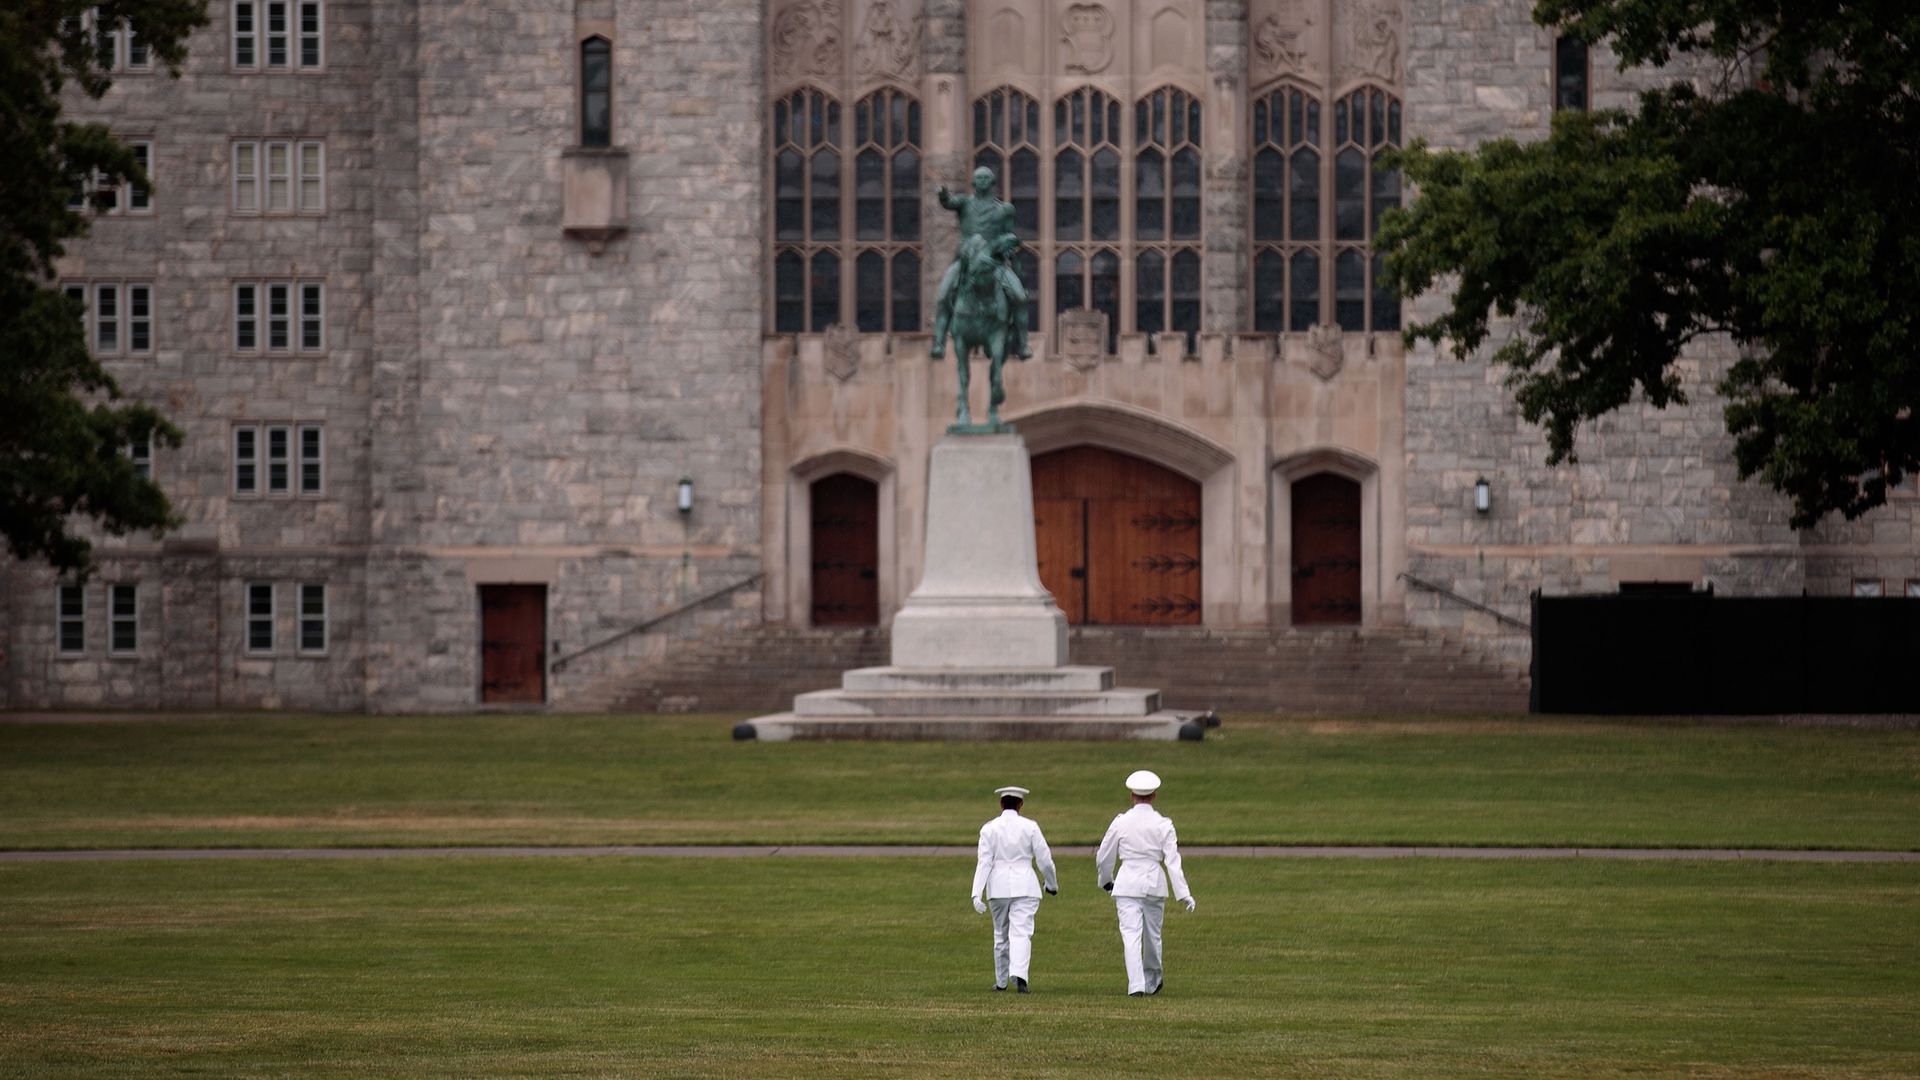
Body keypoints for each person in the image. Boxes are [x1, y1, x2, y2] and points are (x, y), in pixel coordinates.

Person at [1095, 769, 1195, 997]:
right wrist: (1183, 893)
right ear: (1154, 796)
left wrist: (1105, 879)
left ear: (1132, 796)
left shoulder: (1121, 822)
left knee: (1130, 935)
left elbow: (1104, 855)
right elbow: (1172, 861)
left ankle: (1136, 985)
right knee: (1153, 934)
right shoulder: (1164, 824)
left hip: (1127, 882)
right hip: (1153, 883)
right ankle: (1151, 979)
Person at [969, 784, 1059, 993]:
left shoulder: (988, 828)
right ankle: (1019, 976)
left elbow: (984, 862)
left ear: (1001, 804)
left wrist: (976, 894)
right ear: (1020, 804)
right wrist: (1052, 884)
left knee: (1000, 934)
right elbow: (1045, 860)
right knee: (1021, 932)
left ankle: (1001, 982)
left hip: (997, 888)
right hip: (1026, 885)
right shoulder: (1030, 826)